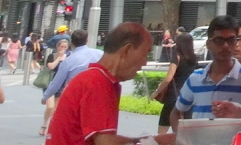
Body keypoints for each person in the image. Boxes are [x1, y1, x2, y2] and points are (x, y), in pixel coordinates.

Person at [46, 22, 174, 145]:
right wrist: (155, 142)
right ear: (127, 50)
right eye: (145, 54)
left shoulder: (94, 78)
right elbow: (106, 142)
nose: (145, 62)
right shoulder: (98, 83)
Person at [170, 15, 241, 129]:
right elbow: (177, 113)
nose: (225, 46)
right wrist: (180, 136)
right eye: (219, 40)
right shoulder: (195, 79)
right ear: (208, 44)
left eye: (231, 40)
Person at [152, 33, 198, 135]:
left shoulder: (177, 57)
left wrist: (157, 92)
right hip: (188, 97)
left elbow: (168, 78)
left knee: (162, 132)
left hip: (173, 97)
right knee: (183, 133)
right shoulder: (194, 59)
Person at [42, 30, 102, 105]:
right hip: (96, 95)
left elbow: (56, 83)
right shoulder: (100, 54)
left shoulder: (67, 61)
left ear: (71, 42)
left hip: (75, 96)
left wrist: (45, 97)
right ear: (87, 40)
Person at [39, 37, 71, 136]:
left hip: (62, 84)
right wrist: (59, 58)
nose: (63, 49)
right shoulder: (52, 56)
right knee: (50, 106)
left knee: (55, 109)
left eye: (65, 47)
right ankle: (44, 124)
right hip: (50, 83)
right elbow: (51, 66)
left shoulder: (69, 57)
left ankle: (50, 128)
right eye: (61, 47)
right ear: (57, 47)